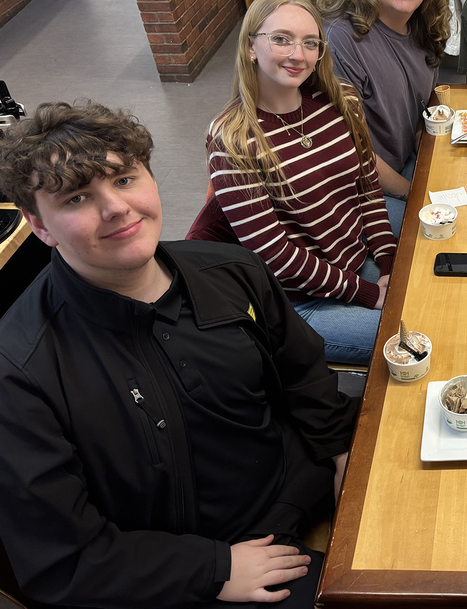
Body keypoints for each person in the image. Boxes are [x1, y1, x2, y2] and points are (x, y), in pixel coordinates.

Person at [0, 101, 358, 607]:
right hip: (190, 566)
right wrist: (214, 569)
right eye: (78, 197)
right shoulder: (19, 372)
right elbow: (63, 558)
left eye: (124, 180)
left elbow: (302, 370)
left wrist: (342, 449)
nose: (116, 208)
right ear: (40, 227)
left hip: (298, 483)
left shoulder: (231, 269)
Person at [188, 0, 397, 367]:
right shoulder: (232, 139)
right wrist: (368, 293)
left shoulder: (341, 102)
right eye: (281, 39)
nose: (298, 55)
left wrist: (388, 259)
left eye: (310, 42)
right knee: (416, 336)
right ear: (252, 46)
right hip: (302, 302)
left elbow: (367, 190)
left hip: (354, 260)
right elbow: (274, 254)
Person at [320, 0, 450, 228]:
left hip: (403, 165)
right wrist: (414, 193)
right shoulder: (341, 40)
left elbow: (420, 116)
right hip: (359, 193)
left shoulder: (423, 27)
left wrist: (440, 165)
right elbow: (350, 155)